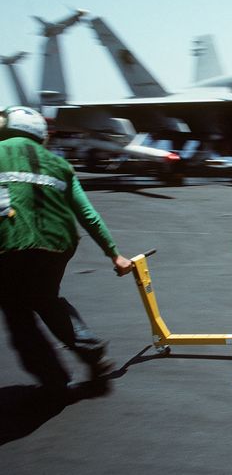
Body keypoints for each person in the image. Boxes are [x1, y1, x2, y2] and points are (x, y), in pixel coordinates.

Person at [0, 106, 132, 395]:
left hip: (8, 242)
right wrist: (114, 254)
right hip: (58, 244)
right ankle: (92, 352)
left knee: (16, 309)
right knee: (46, 299)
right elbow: (87, 214)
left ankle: (52, 378)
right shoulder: (59, 164)